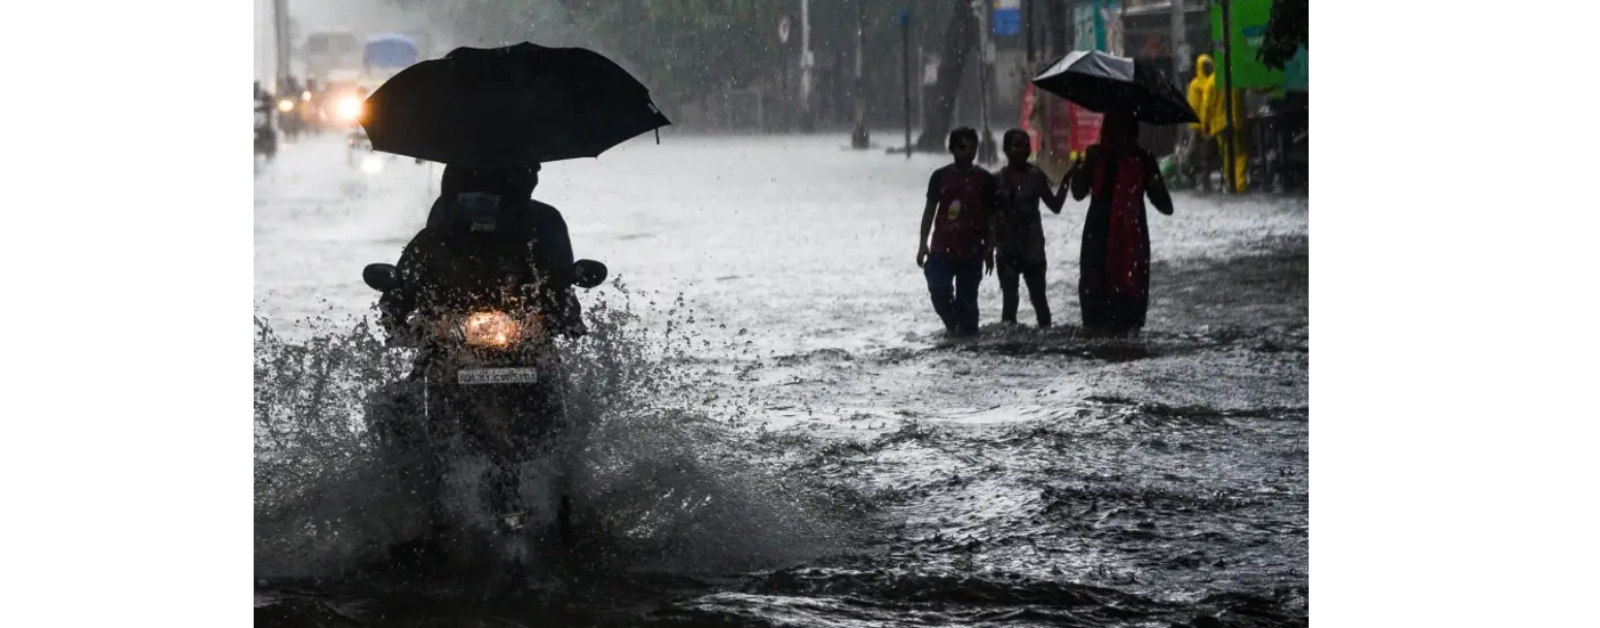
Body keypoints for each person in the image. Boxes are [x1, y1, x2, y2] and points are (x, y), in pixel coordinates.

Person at [379, 163, 583, 346]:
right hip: (448, 340)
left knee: (557, 379)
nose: (478, 208)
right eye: (469, 200)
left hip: (525, 335)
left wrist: (565, 317)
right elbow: (405, 281)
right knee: (415, 380)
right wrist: (397, 316)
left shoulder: (542, 227)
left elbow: (560, 280)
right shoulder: (434, 239)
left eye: (488, 200)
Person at [1068, 111, 1175, 337]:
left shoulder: (1143, 160)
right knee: (1098, 312)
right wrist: (1085, 167)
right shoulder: (1096, 157)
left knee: (1125, 314)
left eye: (1124, 130)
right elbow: (1077, 192)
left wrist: (1153, 181)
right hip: (1101, 239)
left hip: (1128, 242)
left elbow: (1166, 206)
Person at [917, 128, 1000, 337]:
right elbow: (929, 212)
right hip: (941, 249)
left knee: (968, 303)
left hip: (971, 252)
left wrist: (990, 248)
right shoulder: (940, 177)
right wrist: (922, 244)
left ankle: (968, 338)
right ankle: (953, 328)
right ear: (952, 149)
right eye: (962, 147)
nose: (967, 152)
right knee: (938, 288)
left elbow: (992, 218)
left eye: (972, 148)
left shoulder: (985, 180)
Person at [993, 128, 1070, 328]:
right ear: (1006, 149)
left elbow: (1055, 206)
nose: (1023, 150)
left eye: (1026, 145)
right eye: (1017, 145)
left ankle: (1044, 338)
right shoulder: (996, 180)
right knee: (1010, 303)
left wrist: (1066, 180)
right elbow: (988, 216)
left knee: (1039, 301)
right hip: (1007, 248)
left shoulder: (1036, 176)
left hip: (1032, 248)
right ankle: (1010, 346)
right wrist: (987, 246)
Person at [1191, 53, 1250, 193]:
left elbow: (1206, 106)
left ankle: (1231, 183)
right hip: (1235, 122)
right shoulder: (1234, 78)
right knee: (1239, 154)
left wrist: (1204, 125)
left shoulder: (1212, 82)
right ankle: (1239, 185)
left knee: (1227, 155)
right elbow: (1242, 99)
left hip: (1218, 125)